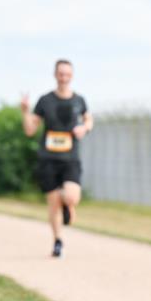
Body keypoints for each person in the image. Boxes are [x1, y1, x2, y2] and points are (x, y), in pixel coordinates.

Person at [21, 59, 93, 258]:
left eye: (67, 74)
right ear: (55, 75)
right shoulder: (45, 100)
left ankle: (68, 205)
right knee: (53, 203)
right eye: (60, 74)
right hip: (48, 159)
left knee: (71, 196)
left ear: (72, 76)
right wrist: (25, 111)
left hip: (70, 158)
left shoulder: (79, 100)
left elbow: (89, 118)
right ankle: (57, 241)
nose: (64, 78)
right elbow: (30, 130)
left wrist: (85, 127)